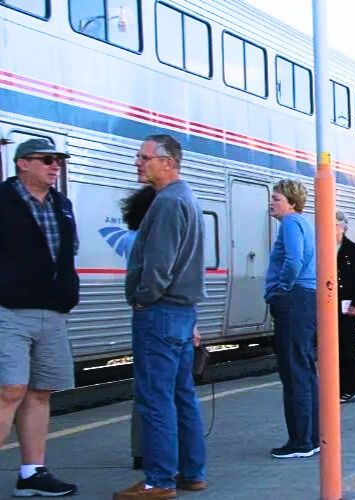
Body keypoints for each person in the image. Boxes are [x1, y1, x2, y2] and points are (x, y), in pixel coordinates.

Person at [116, 134, 208, 499]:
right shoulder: (186, 198)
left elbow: (159, 265)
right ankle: (192, 472)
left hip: (160, 312)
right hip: (182, 313)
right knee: (182, 394)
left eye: (144, 157)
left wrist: (143, 298)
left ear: (168, 162)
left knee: (155, 398)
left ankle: (158, 480)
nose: (137, 163)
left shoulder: (168, 203)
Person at [0, 139, 80, 497]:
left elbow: (68, 251)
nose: (55, 166)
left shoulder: (63, 206)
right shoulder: (3, 202)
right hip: (9, 311)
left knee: (40, 392)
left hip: (53, 311)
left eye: (58, 161)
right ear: (22, 164)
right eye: (47, 160)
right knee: (9, 389)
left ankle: (32, 473)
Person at [265, 180, 319, 459]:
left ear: (291, 202)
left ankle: (300, 441)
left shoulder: (289, 224)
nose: (271, 202)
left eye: (276, 198)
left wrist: (279, 289)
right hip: (306, 299)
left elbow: (294, 261)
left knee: (293, 370)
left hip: (293, 300)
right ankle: (312, 435)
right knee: (305, 368)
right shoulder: (304, 224)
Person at [120, 185, 156, 473]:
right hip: (153, 314)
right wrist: (143, 299)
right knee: (154, 386)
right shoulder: (145, 238)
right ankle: (149, 451)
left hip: (143, 314)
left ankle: (140, 450)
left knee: (143, 383)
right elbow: (144, 275)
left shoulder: (132, 236)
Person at [335, 211, 355, 404]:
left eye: (337, 225)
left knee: (347, 346)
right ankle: (334, 387)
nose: (334, 228)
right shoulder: (323, 247)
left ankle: (350, 389)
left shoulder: (352, 249)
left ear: (344, 227)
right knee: (331, 348)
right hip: (328, 303)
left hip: (346, 305)